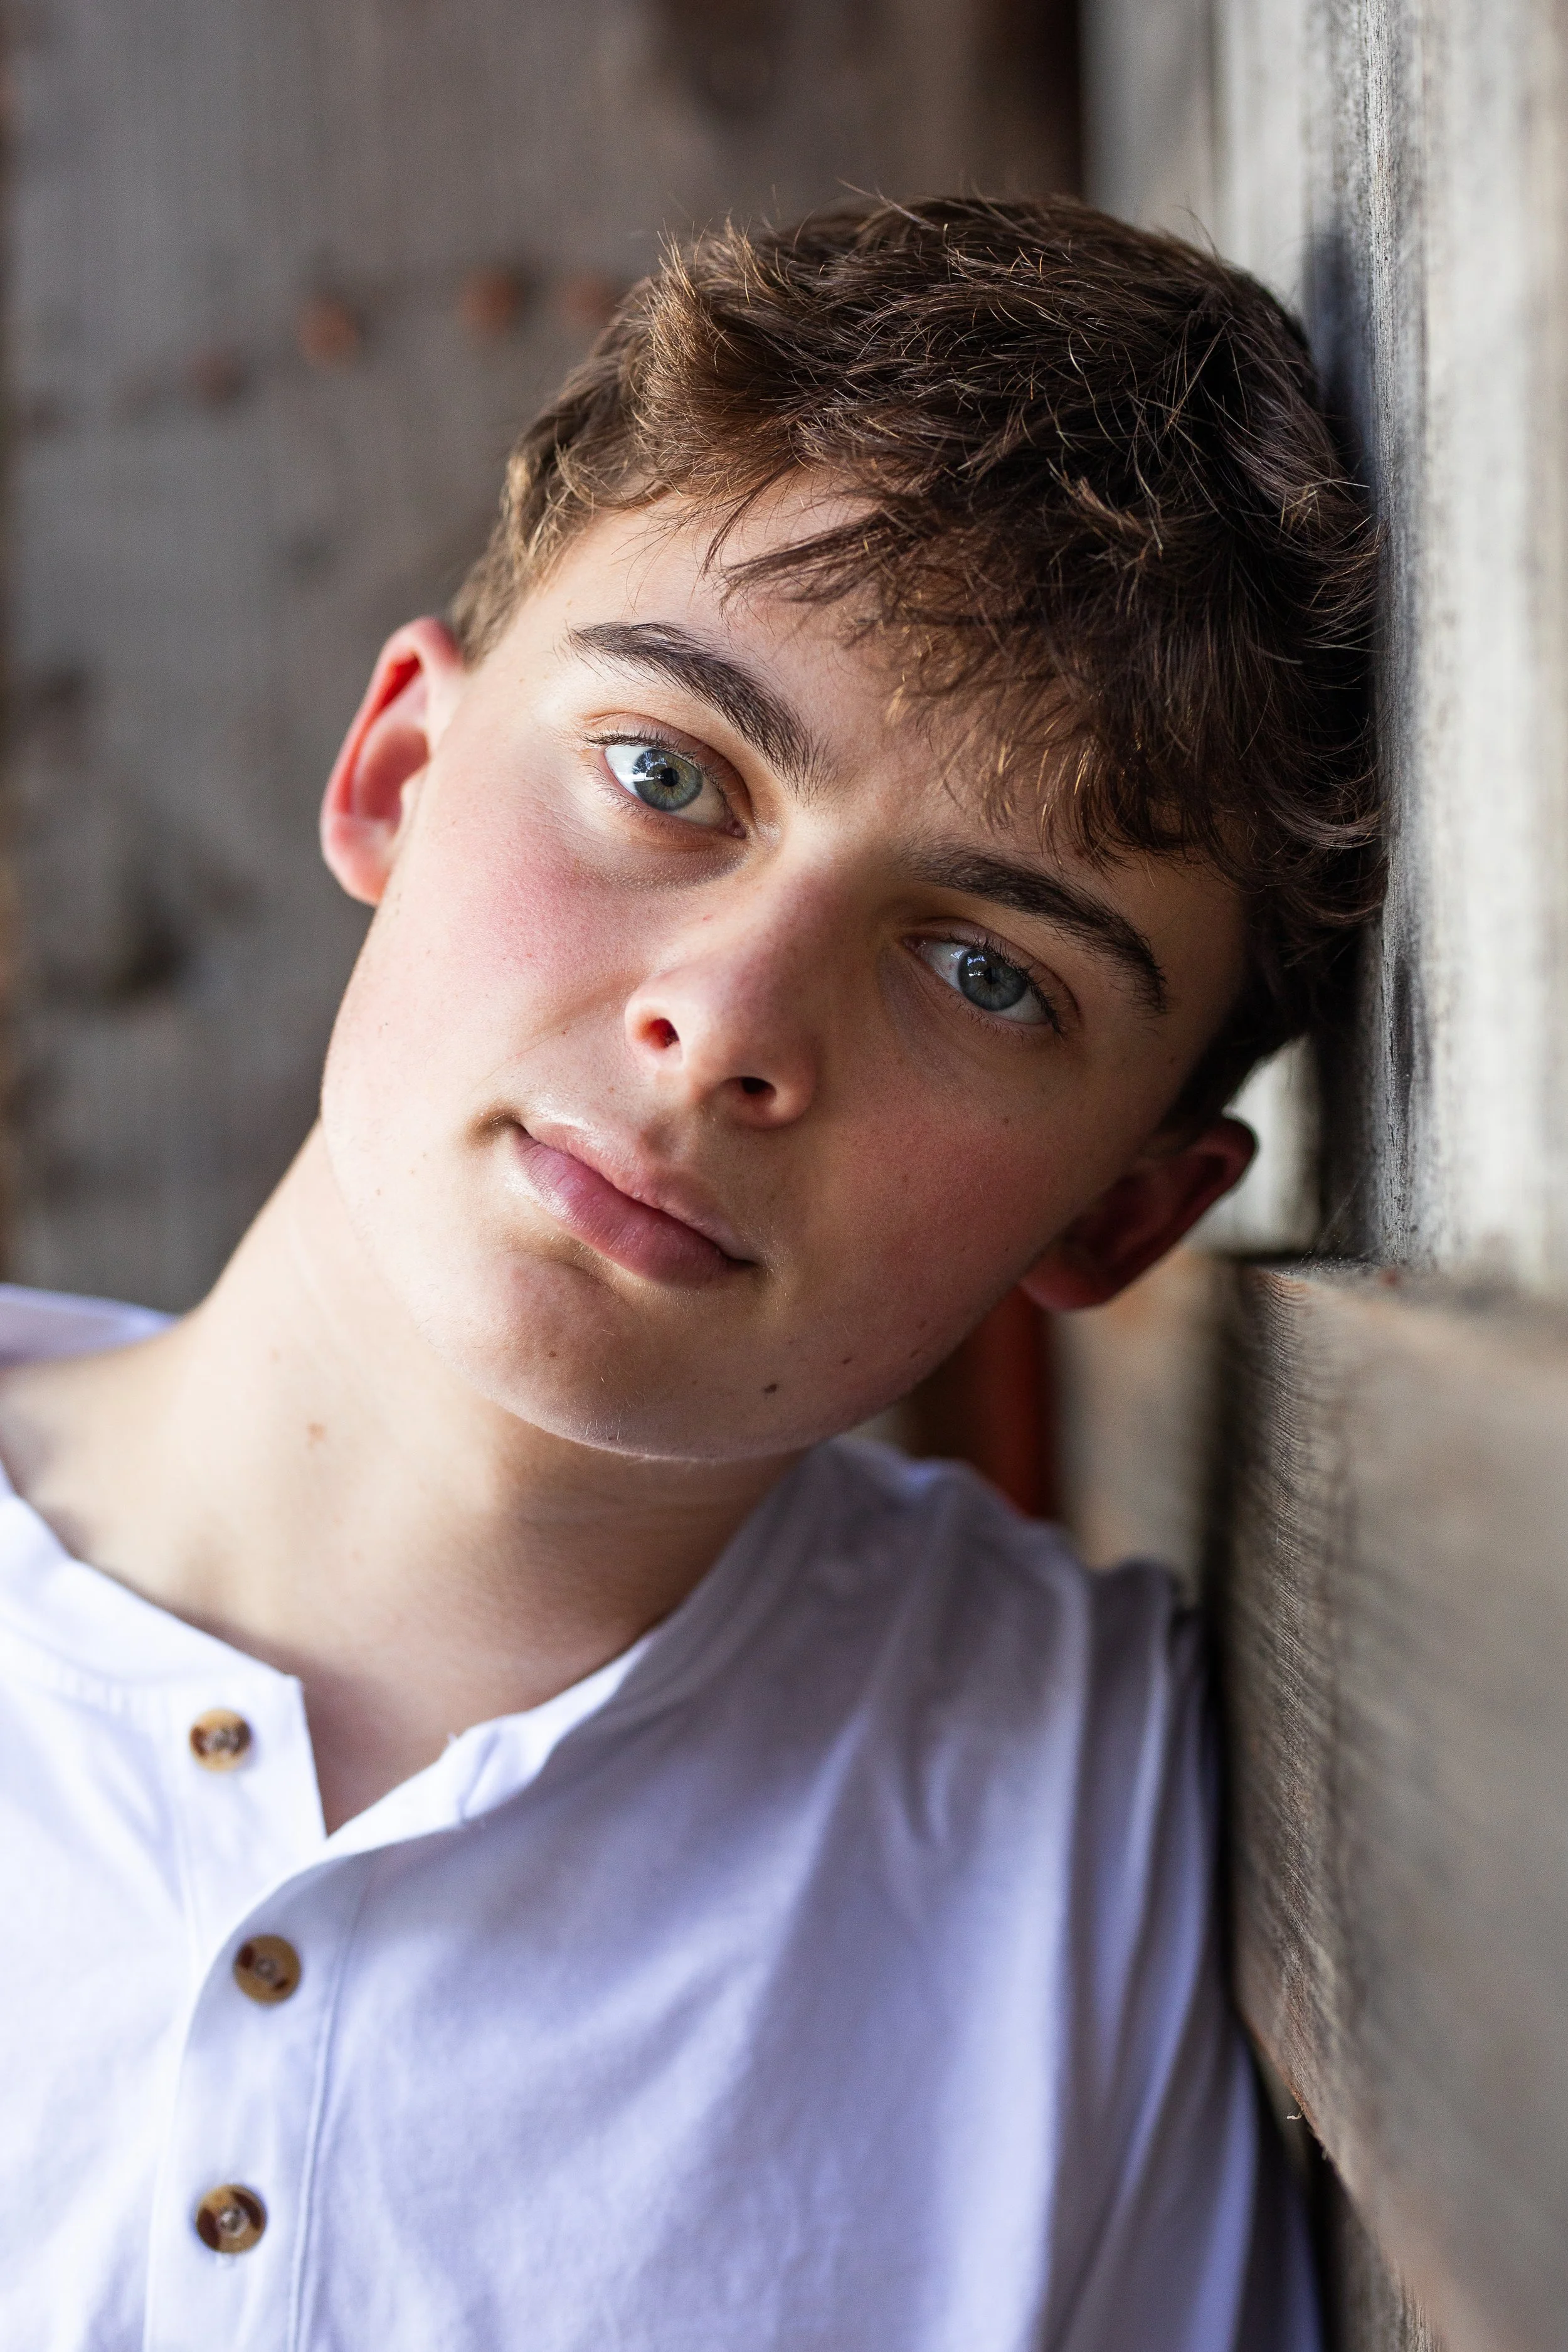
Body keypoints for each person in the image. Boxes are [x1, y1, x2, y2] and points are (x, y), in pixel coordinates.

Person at [0, 197, 1377, 2350]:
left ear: (1121, 1214)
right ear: (396, 766)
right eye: (665, 774)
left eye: (980, 971)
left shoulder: (1070, 1828)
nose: (729, 1023)